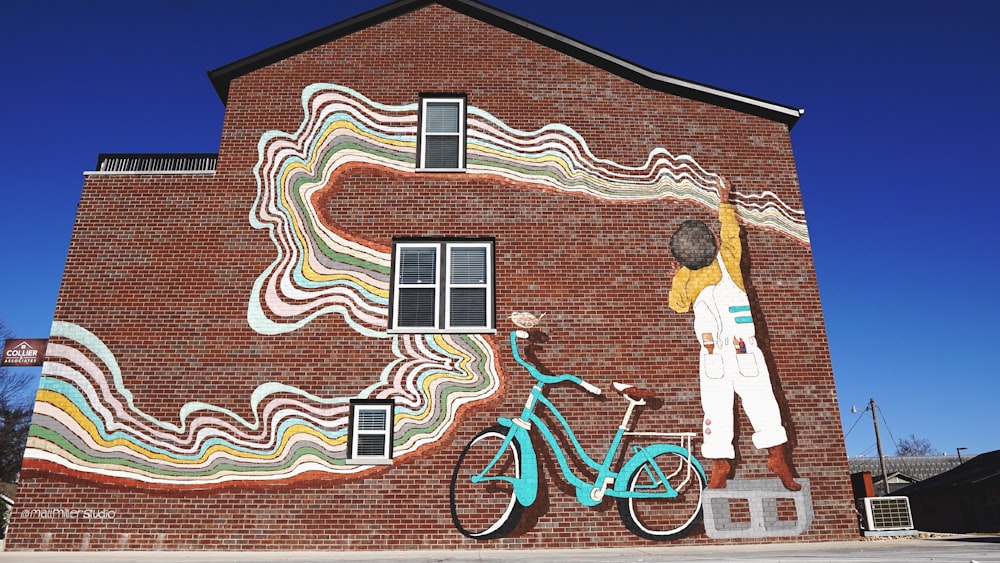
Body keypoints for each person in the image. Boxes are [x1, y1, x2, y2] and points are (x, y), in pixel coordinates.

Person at [667, 176, 800, 491]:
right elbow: (731, 232)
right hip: (744, 349)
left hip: (712, 354)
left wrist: (676, 277)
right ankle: (776, 456)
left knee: (715, 409)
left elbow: (677, 305)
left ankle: (720, 465)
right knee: (763, 403)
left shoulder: (685, 279)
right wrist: (724, 201)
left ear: (680, 258)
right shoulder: (728, 260)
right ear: (713, 243)